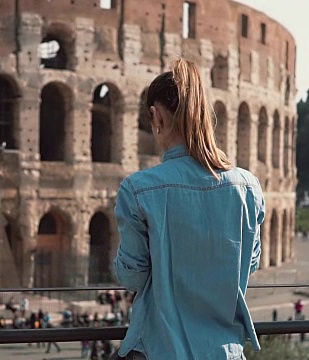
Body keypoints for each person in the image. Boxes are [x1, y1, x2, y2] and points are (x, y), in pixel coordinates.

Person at [112, 58, 265, 359]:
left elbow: (132, 276)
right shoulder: (249, 187)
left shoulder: (139, 189)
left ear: (156, 117)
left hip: (160, 349)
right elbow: (249, 265)